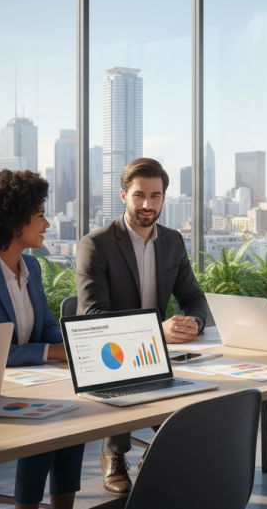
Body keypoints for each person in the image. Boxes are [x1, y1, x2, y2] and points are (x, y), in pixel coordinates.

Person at [0, 170, 84, 509]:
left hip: (26, 380)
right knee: (50, 417)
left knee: (77, 411)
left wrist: (66, 344)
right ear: (12, 220)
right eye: (39, 216)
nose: (47, 224)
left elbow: (47, 326)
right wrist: (52, 351)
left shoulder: (32, 268)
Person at [75, 157, 210, 495]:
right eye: (139, 195)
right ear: (123, 196)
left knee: (197, 414)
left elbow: (194, 297)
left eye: (155, 196)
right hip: (111, 353)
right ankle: (114, 453)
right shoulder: (96, 244)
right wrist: (155, 332)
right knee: (125, 374)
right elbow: (93, 317)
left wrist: (193, 321)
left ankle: (159, 452)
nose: (147, 204)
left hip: (158, 352)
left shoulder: (173, 241)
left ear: (165, 197)